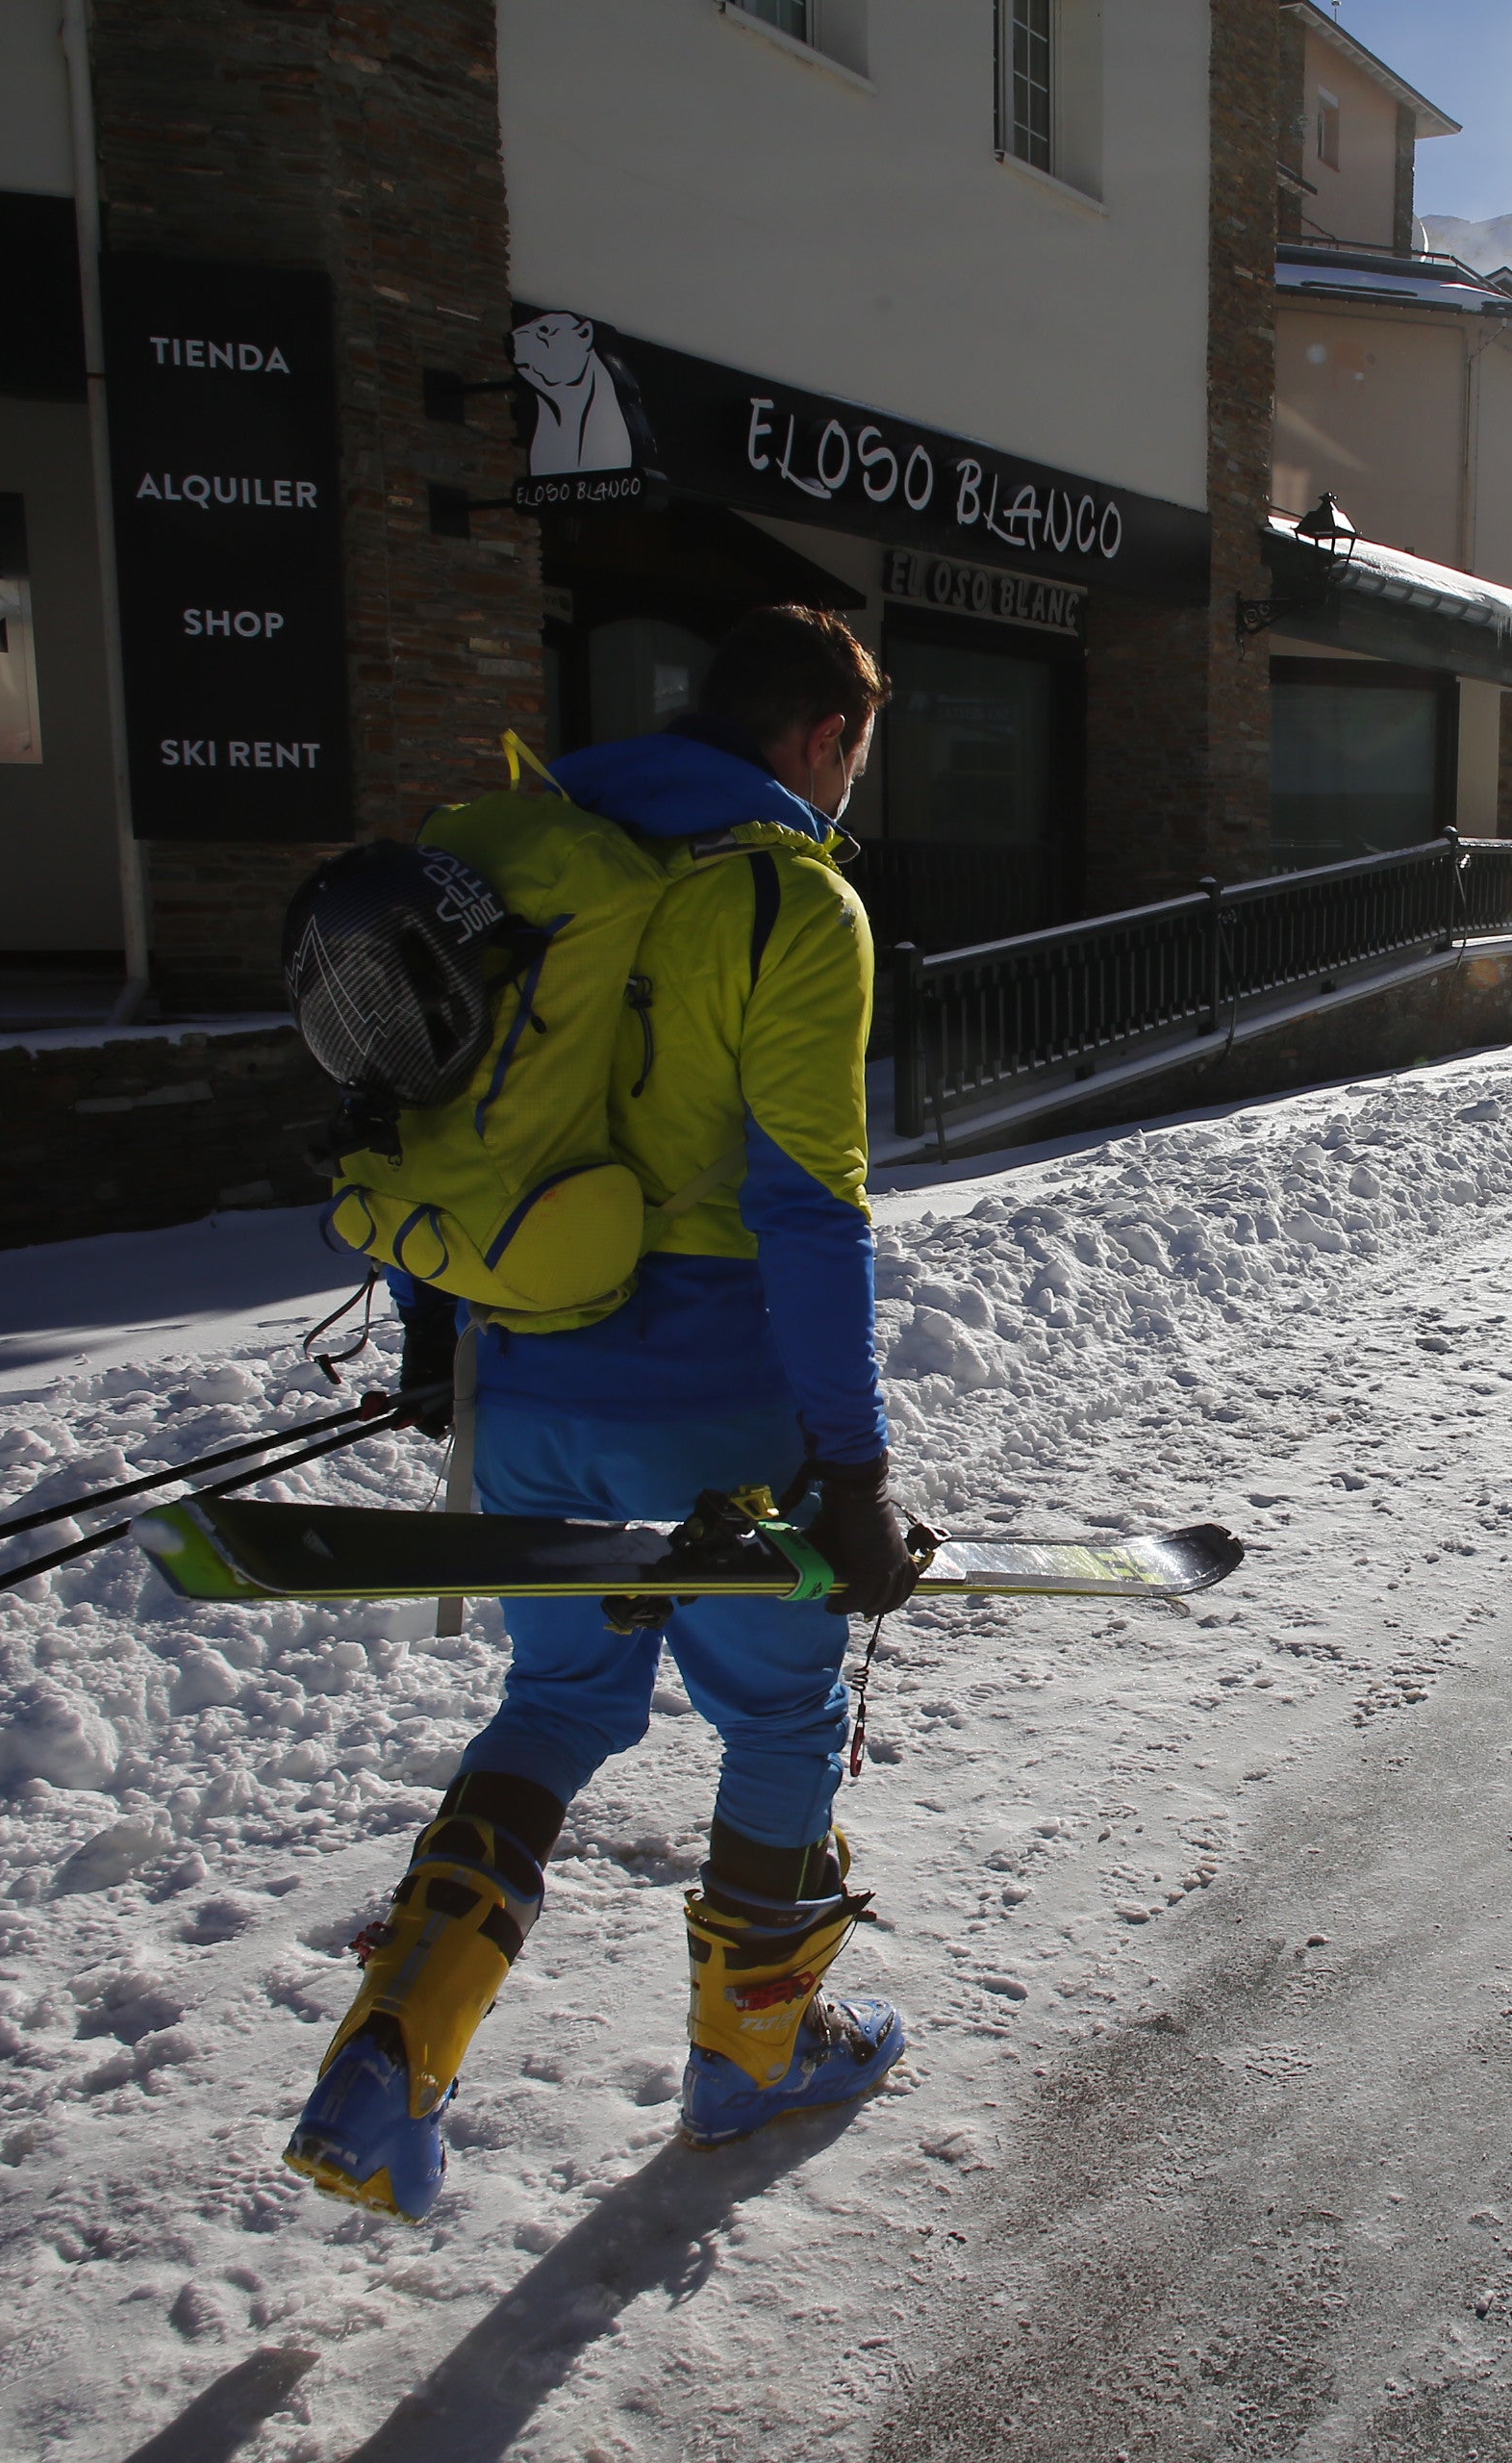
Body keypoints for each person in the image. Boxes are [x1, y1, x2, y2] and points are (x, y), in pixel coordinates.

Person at [286, 605, 925, 2220]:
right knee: (776, 1716)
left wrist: (446, 1340)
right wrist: (849, 1473)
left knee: (563, 1704)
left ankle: (391, 2051)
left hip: (528, 1390)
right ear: (824, 741)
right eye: (859, 752)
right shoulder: (790, 899)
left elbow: (454, 1120)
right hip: (714, 1409)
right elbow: (809, 1212)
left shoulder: (523, 868)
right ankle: (752, 2056)